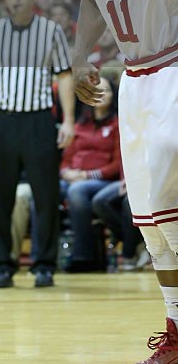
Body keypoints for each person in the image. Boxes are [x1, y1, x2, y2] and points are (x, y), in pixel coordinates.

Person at [71, 0, 178, 364]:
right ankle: (175, 331)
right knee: (153, 221)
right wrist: (80, 55)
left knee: (170, 186)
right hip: (134, 82)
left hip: (175, 68)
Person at [0, 0, 75, 289]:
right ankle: (3, 264)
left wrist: (68, 119)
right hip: (3, 121)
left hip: (39, 121)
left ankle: (44, 265)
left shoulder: (51, 31)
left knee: (46, 197)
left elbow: (66, 75)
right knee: (0, 196)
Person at [59, 74, 120, 272]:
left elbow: (117, 165)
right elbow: (66, 160)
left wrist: (87, 175)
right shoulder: (79, 125)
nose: (101, 94)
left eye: (106, 90)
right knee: (43, 192)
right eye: (96, 89)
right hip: (73, 178)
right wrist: (66, 172)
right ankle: (42, 258)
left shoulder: (118, 124)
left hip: (104, 181)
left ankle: (84, 257)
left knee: (77, 191)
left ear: (114, 96)